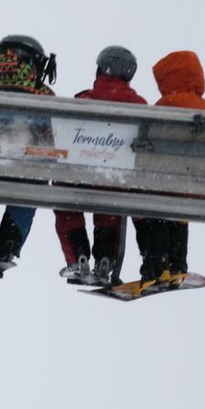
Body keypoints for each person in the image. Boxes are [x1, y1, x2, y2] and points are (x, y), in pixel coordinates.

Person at [53, 45, 148, 285]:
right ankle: (105, 258)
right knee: (111, 209)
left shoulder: (83, 100)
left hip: (79, 177)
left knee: (67, 205)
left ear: (99, 69)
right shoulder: (141, 106)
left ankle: (78, 257)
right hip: (116, 180)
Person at [0, 35, 58, 269]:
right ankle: (8, 246)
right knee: (31, 189)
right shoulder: (43, 95)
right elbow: (55, 139)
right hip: (27, 172)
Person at [133, 50, 205, 282]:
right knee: (177, 210)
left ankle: (154, 263)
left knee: (149, 206)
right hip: (200, 187)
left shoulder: (165, 105)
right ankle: (177, 264)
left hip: (164, 185)